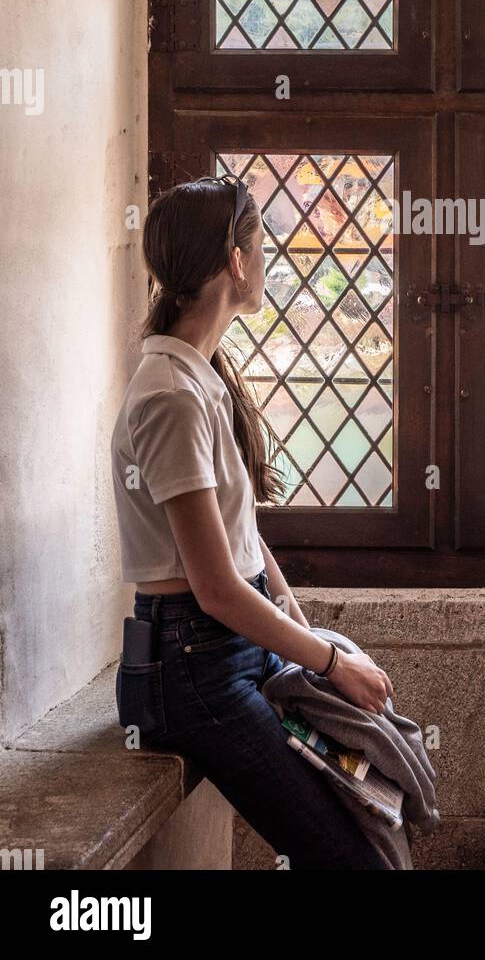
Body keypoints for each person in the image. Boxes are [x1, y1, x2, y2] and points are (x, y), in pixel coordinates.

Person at [110, 173, 393, 869]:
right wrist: (328, 661)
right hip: (192, 669)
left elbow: (236, 532)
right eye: (261, 242)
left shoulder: (197, 377)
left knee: (374, 801)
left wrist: (304, 631)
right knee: (347, 854)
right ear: (236, 260)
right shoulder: (171, 396)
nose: (267, 258)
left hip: (222, 651)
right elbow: (213, 586)